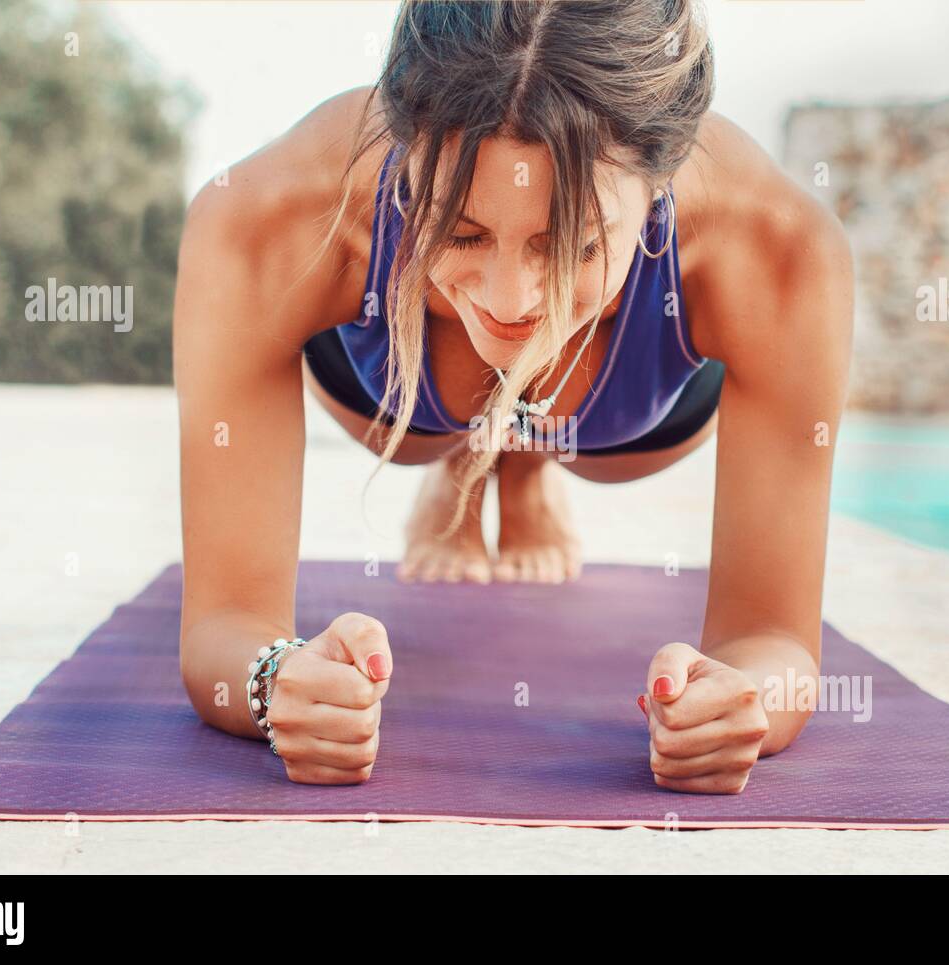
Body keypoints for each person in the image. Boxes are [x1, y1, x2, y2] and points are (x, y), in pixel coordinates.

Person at [174, 0, 853, 794]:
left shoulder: (778, 245)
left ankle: (521, 463)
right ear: (400, 145)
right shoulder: (268, 215)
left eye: (574, 242)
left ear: (661, 179)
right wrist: (274, 679)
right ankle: (469, 456)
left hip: (621, 425)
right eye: (459, 232)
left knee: (556, 421)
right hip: (399, 398)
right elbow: (222, 628)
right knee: (452, 407)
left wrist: (743, 700)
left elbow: (774, 639)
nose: (510, 301)